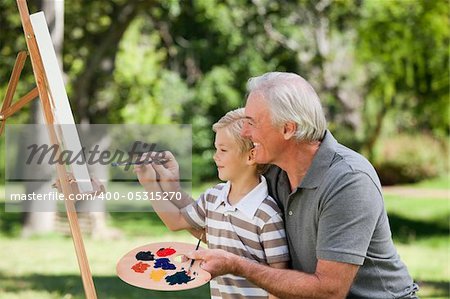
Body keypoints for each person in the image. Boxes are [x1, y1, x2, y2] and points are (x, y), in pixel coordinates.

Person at [145, 72, 419, 299]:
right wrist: (170, 188)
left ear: (288, 129)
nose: (246, 132)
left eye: (252, 122)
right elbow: (230, 230)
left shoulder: (348, 181)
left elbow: (329, 291)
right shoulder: (273, 172)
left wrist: (238, 266)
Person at [135, 108, 290, 299]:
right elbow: (175, 221)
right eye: (216, 148)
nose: (215, 156)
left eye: (223, 150)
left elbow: (280, 284)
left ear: (251, 156)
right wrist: (152, 184)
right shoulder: (213, 197)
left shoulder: (267, 216)